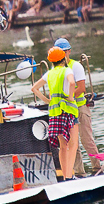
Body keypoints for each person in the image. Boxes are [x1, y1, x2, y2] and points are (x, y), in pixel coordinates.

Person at [53, 38, 101, 177]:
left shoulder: (76, 66)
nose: (61, 55)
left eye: (63, 52)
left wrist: (66, 97)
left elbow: (80, 88)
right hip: (66, 110)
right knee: (72, 144)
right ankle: (80, 173)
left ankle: (97, 168)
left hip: (79, 107)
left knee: (87, 140)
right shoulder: (55, 69)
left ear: (69, 51)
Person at [31, 47, 79, 181]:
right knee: (73, 144)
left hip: (54, 112)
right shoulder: (67, 70)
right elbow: (72, 82)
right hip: (68, 111)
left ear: (51, 61)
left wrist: (46, 100)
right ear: (63, 59)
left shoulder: (49, 74)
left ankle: (65, 177)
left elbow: (34, 88)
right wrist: (70, 97)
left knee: (62, 146)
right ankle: (70, 176)